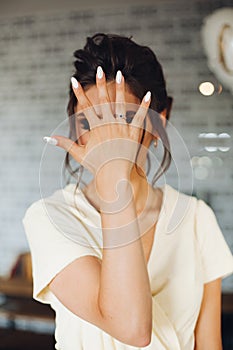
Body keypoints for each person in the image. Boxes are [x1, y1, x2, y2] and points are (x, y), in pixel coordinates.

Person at [23, 33, 233, 350]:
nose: (108, 138)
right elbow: (132, 328)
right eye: (92, 120)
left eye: (124, 120)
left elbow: (208, 344)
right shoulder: (50, 217)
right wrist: (115, 183)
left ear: (158, 123)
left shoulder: (195, 219)